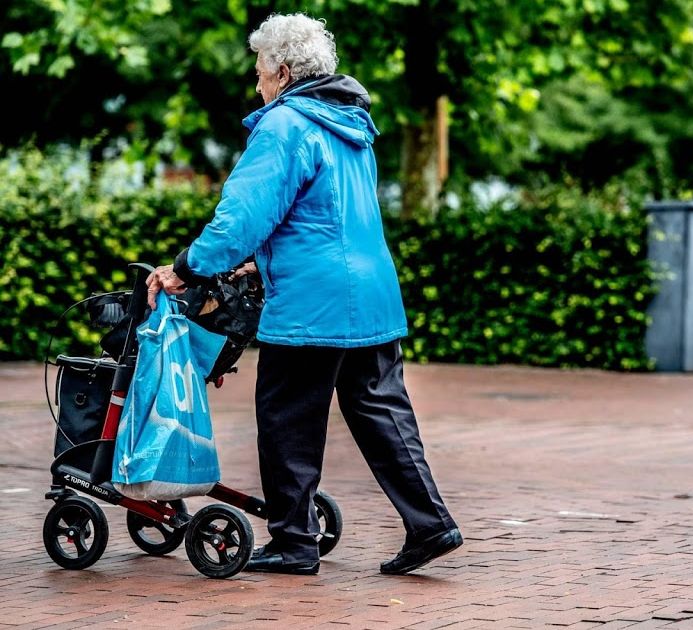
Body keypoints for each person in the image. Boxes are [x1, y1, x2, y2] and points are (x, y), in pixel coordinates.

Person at [145, 12, 461, 576]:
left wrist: (186, 268)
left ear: (284, 72)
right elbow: (318, 216)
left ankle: (294, 541)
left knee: (287, 415)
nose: (257, 85)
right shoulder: (350, 124)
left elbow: (242, 217)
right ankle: (430, 523)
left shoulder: (285, 125)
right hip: (371, 293)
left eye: (261, 72)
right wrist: (254, 262)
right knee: (381, 411)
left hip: (312, 302)